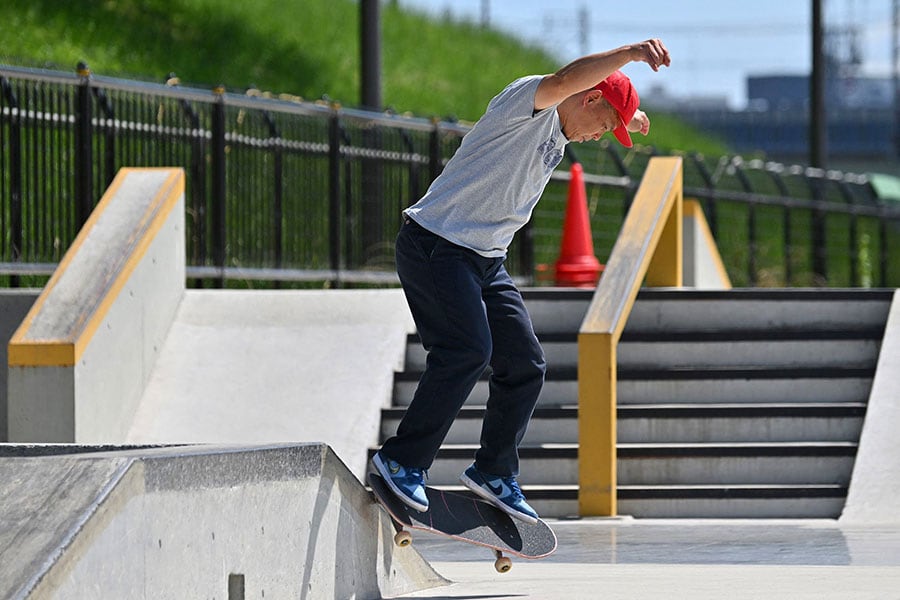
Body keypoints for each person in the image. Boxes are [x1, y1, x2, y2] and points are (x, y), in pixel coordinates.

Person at [372, 39, 671, 523]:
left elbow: (600, 100)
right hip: (436, 245)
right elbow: (566, 81)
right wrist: (631, 54)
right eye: (604, 124)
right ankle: (401, 460)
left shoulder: (572, 127)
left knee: (527, 364)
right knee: (467, 350)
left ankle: (493, 471)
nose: (600, 137)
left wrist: (629, 116)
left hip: (485, 261)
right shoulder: (527, 104)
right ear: (590, 98)